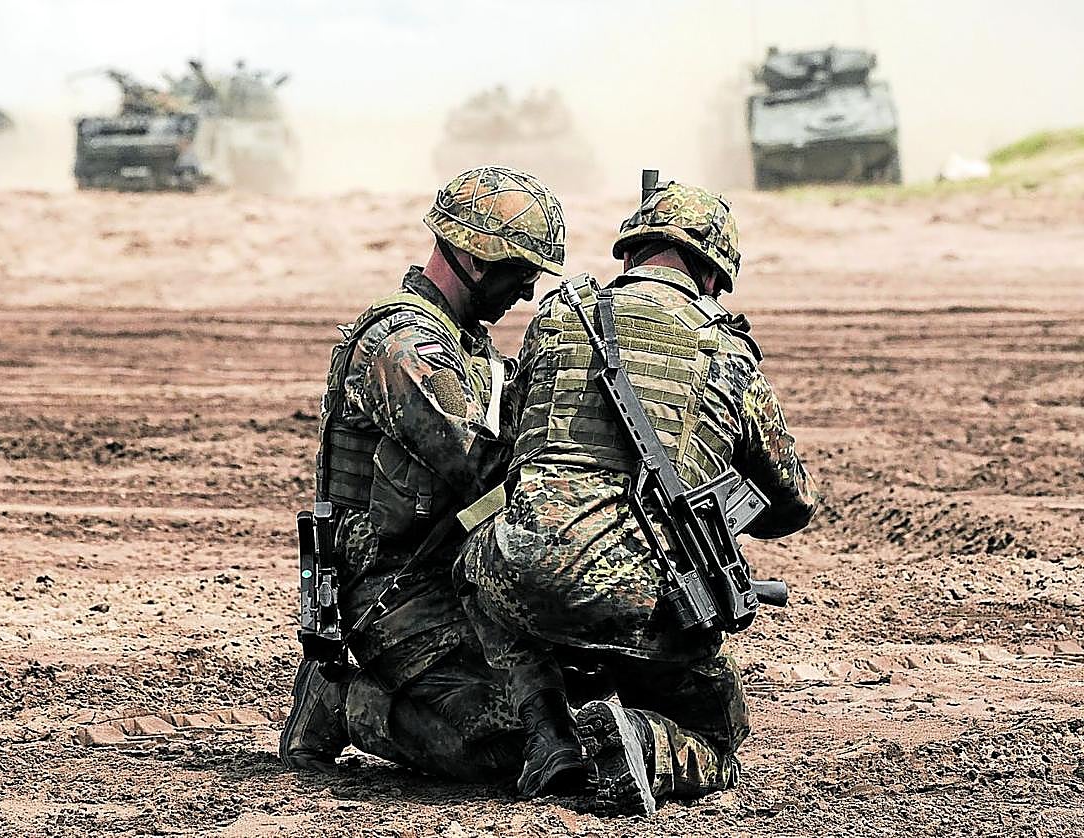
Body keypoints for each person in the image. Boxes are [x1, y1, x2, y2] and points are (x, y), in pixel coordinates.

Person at [454, 179, 819, 815]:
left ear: (629, 253)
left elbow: (510, 445)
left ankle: (546, 728)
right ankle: (643, 746)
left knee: (477, 563)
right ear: (713, 274)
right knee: (718, 731)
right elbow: (792, 502)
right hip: (648, 602)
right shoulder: (727, 353)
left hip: (528, 576)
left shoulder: (559, 318)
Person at [279, 166, 584, 794]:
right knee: (509, 745)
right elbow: (483, 466)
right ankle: (345, 704)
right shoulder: (404, 348)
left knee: (590, 693)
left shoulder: (470, 349)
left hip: (461, 577)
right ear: (473, 259)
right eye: (519, 272)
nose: (527, 292)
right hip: (395, 589)